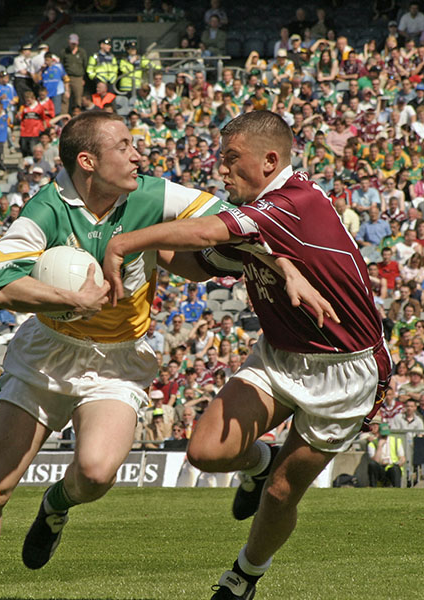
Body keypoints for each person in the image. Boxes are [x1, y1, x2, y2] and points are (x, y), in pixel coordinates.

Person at [0, 111, 264, 600]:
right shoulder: (46, 210)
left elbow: (233, 220)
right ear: (88, 161)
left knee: (96, 474)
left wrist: (217, 257)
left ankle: (56, 504)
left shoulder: (151, 194)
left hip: (118, 360)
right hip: (47, 355)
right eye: (124, 146)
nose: (137, 155)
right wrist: (71, 300)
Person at [101, 111, 391, 599]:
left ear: (269, 160)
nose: (221, 170)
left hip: (344, 369)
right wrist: (123, 236)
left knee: (281, 493)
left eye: (231, 159)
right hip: (279, 353)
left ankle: (243, 576)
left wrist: (123, 242)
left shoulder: (292, 202)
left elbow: (206, 234)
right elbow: (198, 264)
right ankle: (260, 463)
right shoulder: (257, 215)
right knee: (206, 452)